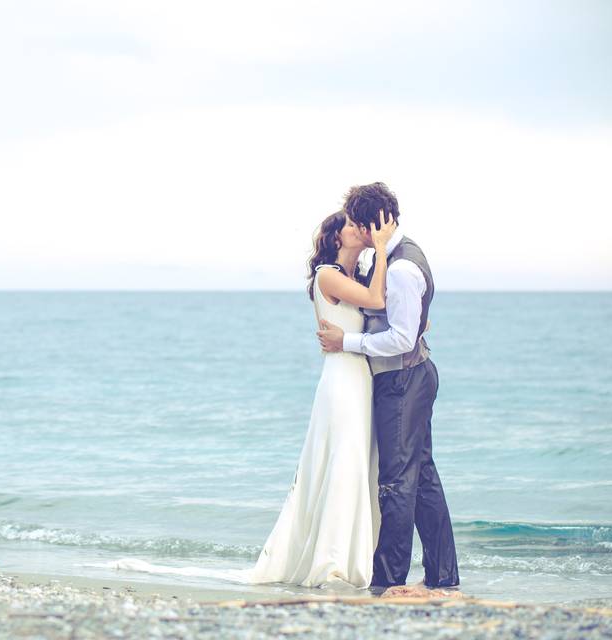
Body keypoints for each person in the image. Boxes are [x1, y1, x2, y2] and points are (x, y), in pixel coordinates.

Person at [104, 208, 397, 589]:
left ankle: (355, 556)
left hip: (360, 377)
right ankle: (333, 563)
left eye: (362, 226)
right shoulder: (329, 274)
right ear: (337, 237)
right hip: (342, 380)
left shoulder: (353, 275)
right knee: (341, 462)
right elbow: (376, 299)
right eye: (352, 225)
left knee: (357, 462)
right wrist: (382, 246)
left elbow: (380, 304)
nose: (361, 229)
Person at [317, 182, 460, 590]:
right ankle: (443, 578)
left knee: (396, 481)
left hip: (403, 378)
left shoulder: (399, 266)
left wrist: (346, 342)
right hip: (411, 374)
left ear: (368, 226)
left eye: (355, 224)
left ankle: (387, 580)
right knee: (423, 477)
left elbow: (400, 338)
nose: (352, 231)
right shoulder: (395, 256)